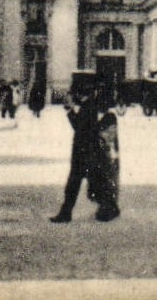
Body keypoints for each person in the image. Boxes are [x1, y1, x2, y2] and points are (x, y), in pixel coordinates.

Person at [52, 72, 119, 223]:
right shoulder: (89, 105)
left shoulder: (89, 106)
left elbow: (79, 127)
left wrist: (70, 111)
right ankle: (67, 213)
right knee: (86, 183)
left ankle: (67, 213)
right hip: (86, 153)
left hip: (86, 154)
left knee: (78, 184)